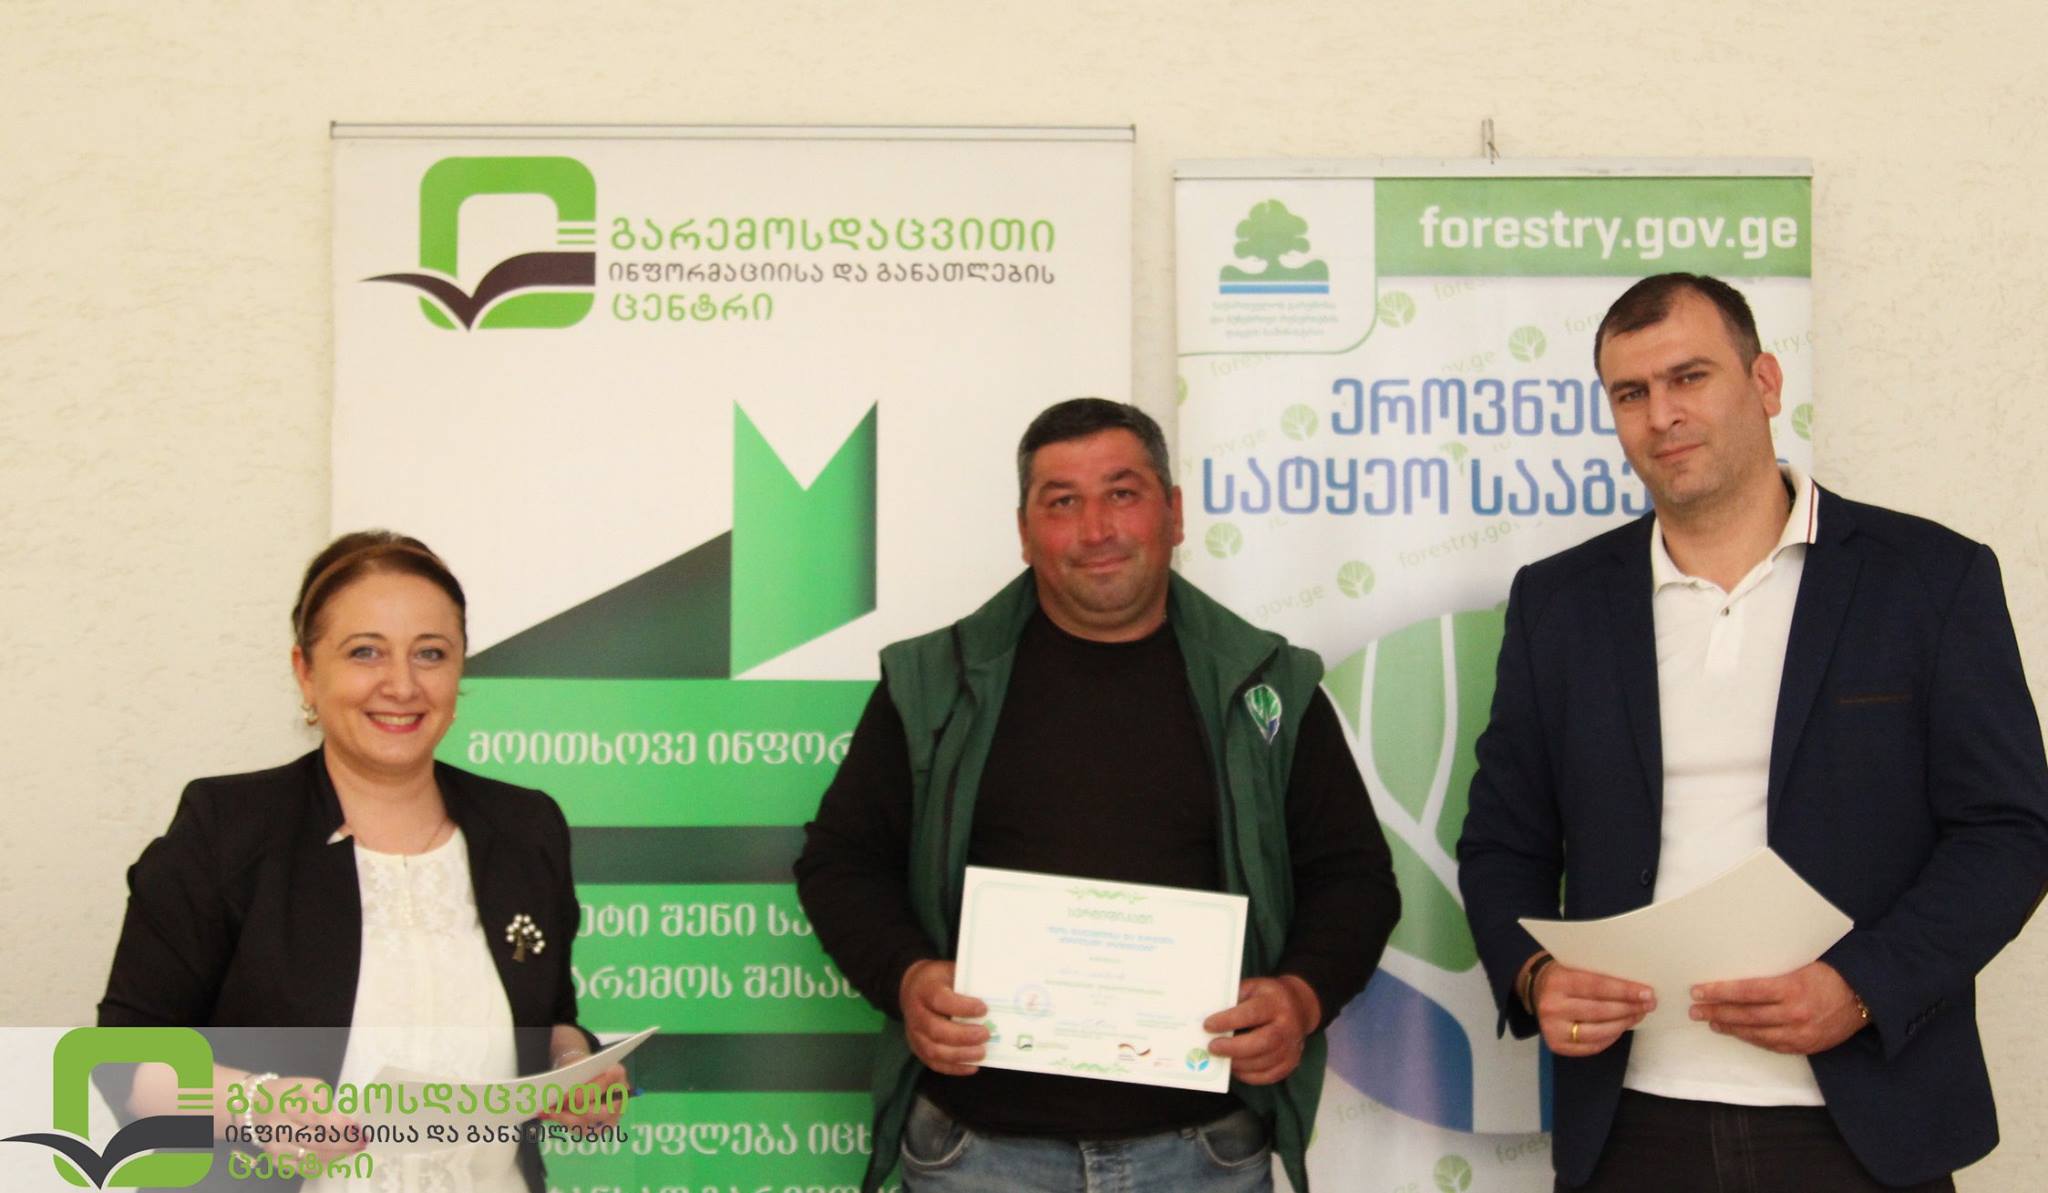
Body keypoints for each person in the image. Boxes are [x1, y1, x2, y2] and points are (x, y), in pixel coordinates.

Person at [1457, 273, 2048, 1191]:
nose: (1662, 414)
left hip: (1866, 1120)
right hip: (1631, 1124)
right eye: (1631, 392)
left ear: (1765, 382)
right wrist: (1535, 974)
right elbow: (1503, 841)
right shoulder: (1558, 602)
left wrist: (1864, 986)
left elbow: (2010, 831)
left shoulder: (1929, 579)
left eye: (1689, 377)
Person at [794, 398, 1400, 1193]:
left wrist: (1301, 995)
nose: (1096, 529)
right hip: (977, 1157)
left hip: (1203, 1156)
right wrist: (905, 976)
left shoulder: (1269, 686)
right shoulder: (935, 683)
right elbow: (840, 862)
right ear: (1023, 532)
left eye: (1122, 493)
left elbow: (1355, 878)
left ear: (1173, 512)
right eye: (1062, 502)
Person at [97, 531, 627, 1193]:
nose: (402, 685)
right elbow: (121, 1058)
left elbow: (548, 1014)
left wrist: (575, 1063)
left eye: (430, 653)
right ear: (305, 671)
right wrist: (253, 1103)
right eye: (365, 652)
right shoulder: (226, 829)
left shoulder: (525, 827)